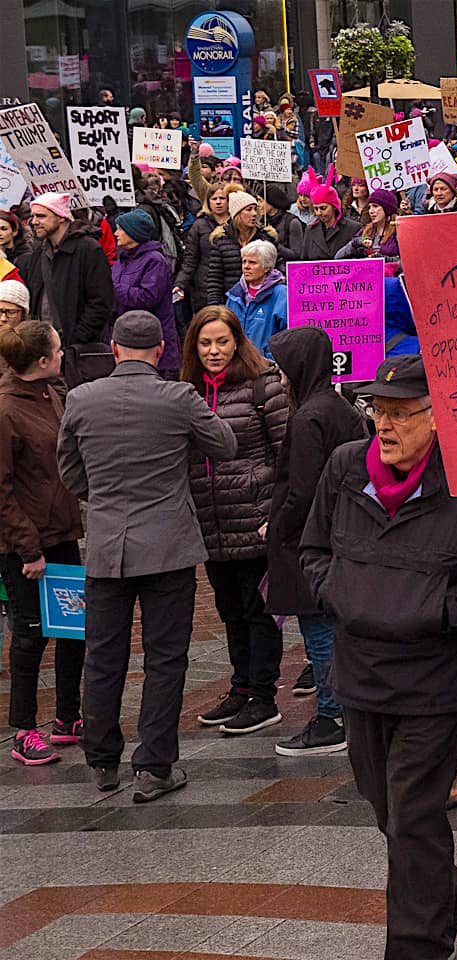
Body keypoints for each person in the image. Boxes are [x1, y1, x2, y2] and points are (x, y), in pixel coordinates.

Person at [300, 354, 457, 960]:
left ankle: (419, 944)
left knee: (415, 814)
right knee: (384, 806)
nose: (384, 425)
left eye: (399, 413)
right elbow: (311, 549)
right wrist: (344, 593)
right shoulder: (345, 468)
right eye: (377, 411)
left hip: (436, 679)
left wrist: (437, 610)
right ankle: (448, 896)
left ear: (439, 417)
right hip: (361, 671)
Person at [57, 310, 237, 799]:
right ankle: (154, 764)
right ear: (162, 351)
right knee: (165, 658)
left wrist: (107, 499)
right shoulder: (178, 397)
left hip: (107, 546)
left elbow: (70, 472)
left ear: (113, 349)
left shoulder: (80, 399)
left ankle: (102, 760)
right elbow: (225, 444)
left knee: (103, 656)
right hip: (168, 546)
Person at [183, 306, 289, 736]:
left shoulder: (263, 385)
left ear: (238, 341)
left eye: (222, 342)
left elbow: (286, 454)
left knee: (259, 610)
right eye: (205, 343)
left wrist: (277, 515)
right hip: (212, 523)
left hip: (255, 516)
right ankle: (241, 687)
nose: (214, 351)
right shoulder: (186, 391)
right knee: (229, 610)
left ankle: (264, 696)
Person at [265, 326, 368, 756]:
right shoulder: (340, 407)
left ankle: (331, 716)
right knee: (332, 629)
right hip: (341, 533)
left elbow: (302, 489)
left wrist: (278, 527)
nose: (279, 375)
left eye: (284, 366)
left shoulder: (308, 417)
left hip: (310, 540)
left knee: (319, 632)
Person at [0, 322, 83, 764]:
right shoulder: (6, 410)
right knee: (30, 635)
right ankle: (24, 729)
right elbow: (1, 489)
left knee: (74, 629)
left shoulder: (52, 393)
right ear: (42, 360)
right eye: (57, 346)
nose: (62, 352)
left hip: (62, 532)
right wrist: (27, 548)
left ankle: (69, 717)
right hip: (25, 546)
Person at [18, 192, 114, 346]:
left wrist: (75, 339)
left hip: (75, 349)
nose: (34, 222)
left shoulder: (88, 250)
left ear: (61, 217)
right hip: (43, 345)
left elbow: (101, 302)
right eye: (33, 216)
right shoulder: (38, 253)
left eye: (41, 216)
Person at [111, 208, 180, 377]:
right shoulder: (122, 260)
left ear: (133, 232)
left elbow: (146, 297)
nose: (115, 233)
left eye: (120, 229)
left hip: (153, 344)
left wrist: (112, 288)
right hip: (128, 336)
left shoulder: (155, 261)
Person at [176, 181, 240, 313]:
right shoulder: (199, 225)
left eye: (222, 198)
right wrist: (180, 283)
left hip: (233, 284)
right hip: (205, 287)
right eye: (214, 199)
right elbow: (190, 258)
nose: (218, 202)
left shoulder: (238, 224)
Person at [205, 192, 278, 308]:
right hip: (230, 303)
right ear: (237, 214)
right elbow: (215, 279)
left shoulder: (266, 238)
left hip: (262, 303)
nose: (254, 214)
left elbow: (276, 271)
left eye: (255, 209)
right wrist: (216, 308)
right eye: (248, 210)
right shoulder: (221, 240)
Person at [224, 239, 288, 357]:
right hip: (236, 364)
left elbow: (286, 336)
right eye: (244, 262)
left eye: (252, 262)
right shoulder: (234, 295)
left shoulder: (282, 295)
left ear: (266, 267)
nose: (246, 267)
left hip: (267, 366)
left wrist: (269, 358)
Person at [336, 188, 400, 263]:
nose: (371, 211)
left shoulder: (398, 231)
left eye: (375, 206)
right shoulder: (367, 230)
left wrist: (387, 260)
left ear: (387, 209)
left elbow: (407, 261)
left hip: (389, 273)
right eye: (369, 207)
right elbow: (338, 257)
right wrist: (355, 243)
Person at [300, 182, 360, 260]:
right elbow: (303, 262)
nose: (319, 213)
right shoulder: (310, 230)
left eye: (323, 208)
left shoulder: (353, 228)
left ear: (334, 207)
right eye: (316, 208)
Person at [264, 185, 304, 263]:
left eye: (261, 201)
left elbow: (297, 255)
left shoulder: (292, 222)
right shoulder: (262, 221)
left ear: (271, 202)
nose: (258, 204)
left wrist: (275, 242)